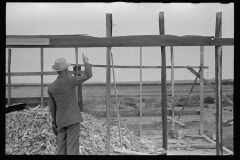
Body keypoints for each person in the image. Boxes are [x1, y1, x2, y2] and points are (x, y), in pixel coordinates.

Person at [48, 53, 92, 155]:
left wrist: (55, 123)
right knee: (72, 149)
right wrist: (86, 63)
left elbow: (52, 108)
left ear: (57, 71)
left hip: (60, 121)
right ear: (66, 69)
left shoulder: (51, 87)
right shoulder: (70, 80)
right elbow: (88, 75)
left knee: (61, 150)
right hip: (72, 120)